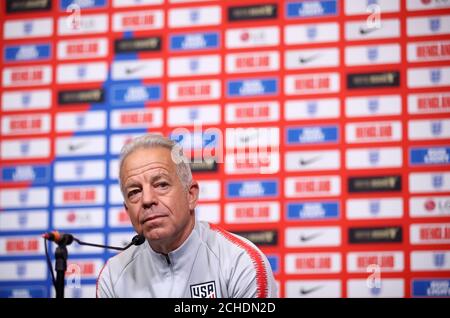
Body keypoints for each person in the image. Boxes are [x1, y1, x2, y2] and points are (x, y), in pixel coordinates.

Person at [96, 134, 277, 298]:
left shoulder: (241, 263)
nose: (147, 199)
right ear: (127, 211)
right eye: (135, 192)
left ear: (190, 195)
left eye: (161, 185)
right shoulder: (113, 276)